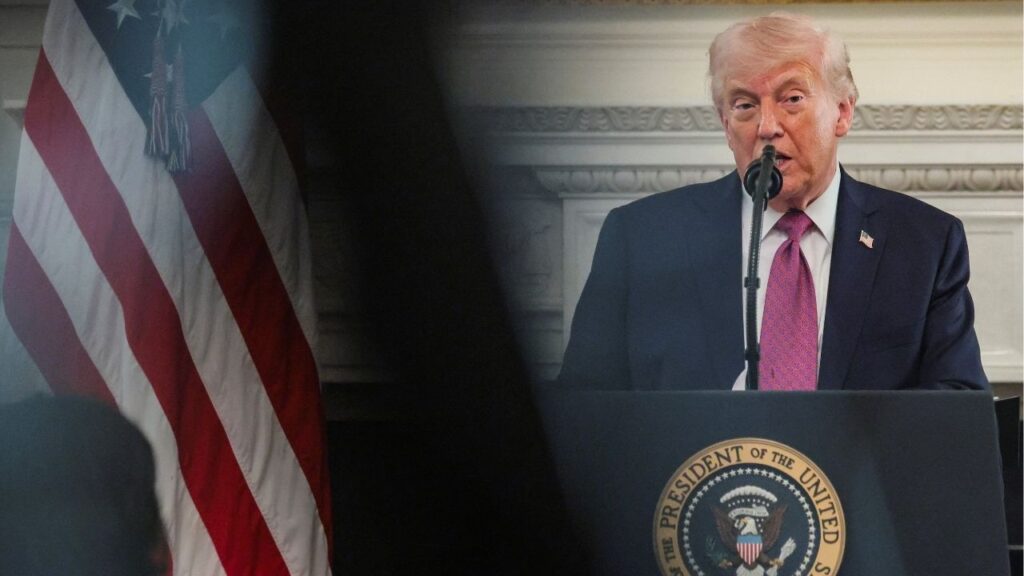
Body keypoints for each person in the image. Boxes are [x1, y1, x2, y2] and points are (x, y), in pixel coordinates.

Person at [559, 13, 988, 392]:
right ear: (726, 126)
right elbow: (586, 407)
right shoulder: (642, 239)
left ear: (842, 112)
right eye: (744, 105)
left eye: (792, 99)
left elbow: (956, 402)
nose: (767, 126)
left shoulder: (924, 242)